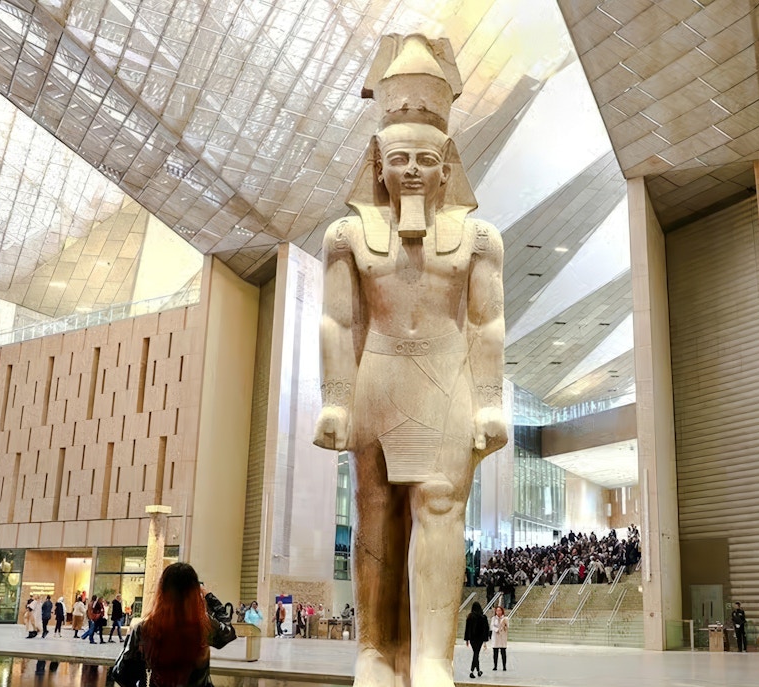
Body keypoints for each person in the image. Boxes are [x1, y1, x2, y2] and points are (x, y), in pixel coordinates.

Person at [312, 34, 508, 687]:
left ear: (448, 165)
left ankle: (430, 655)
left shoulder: (479, 239)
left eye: (428, 158)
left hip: (447, 375)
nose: (415, 171)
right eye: (400, 158)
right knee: (376, 508)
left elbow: (485, 321)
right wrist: (335, 396)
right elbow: (339, 320)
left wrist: (489, 401)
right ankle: (374, 646)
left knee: (440, 502)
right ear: (378, 162)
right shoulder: (346, 236)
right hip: (380, 375)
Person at [110, 562, 215, 687]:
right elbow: (228, 629)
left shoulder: (144, 629)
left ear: (162, 592)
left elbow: (120, 673)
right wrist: (209, 596)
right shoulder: (204, 628)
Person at [463, 602, 489, 679]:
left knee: (475, 653)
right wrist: (485, 640)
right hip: (480, 638)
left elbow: (467, 629)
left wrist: (467, 639)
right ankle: (473, 671)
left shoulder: (470, 617)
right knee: (476, 653)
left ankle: (477, 671)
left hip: (472, 638)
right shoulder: (483, 617)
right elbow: (486, 629)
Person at [490, 606, 508, 671]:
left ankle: (504, 666)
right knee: (495, 652)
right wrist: (496, 629)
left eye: (500, 611)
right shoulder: (494, 618)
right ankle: (495, 666)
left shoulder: (505, 618)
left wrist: (504, 626)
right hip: (496, 637)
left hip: (502, 637)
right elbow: (492, 626)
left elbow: (507, 627)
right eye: (497, 611)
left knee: (503, 652)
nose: (498, 612)